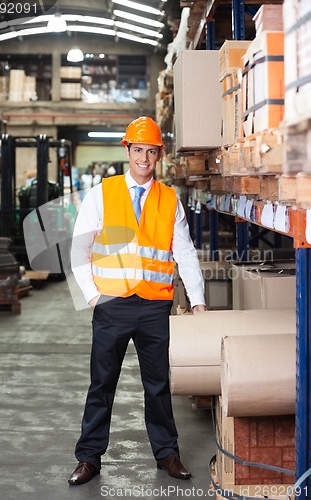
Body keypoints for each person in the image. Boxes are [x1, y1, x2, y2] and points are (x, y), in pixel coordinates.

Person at [69, 116, 206, 486]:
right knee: (102, 383)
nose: (144, 157)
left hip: (153, 307)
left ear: (158, 155)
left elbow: (186, 253)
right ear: (127, 150)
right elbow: (79, 248)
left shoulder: (169, 199)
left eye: (151, 151)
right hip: (112, 305)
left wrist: (197, 300)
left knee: (158, 384)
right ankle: (89, 457)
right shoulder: (102, 193)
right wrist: (94, 296)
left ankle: (167, 454)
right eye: (138, 149)